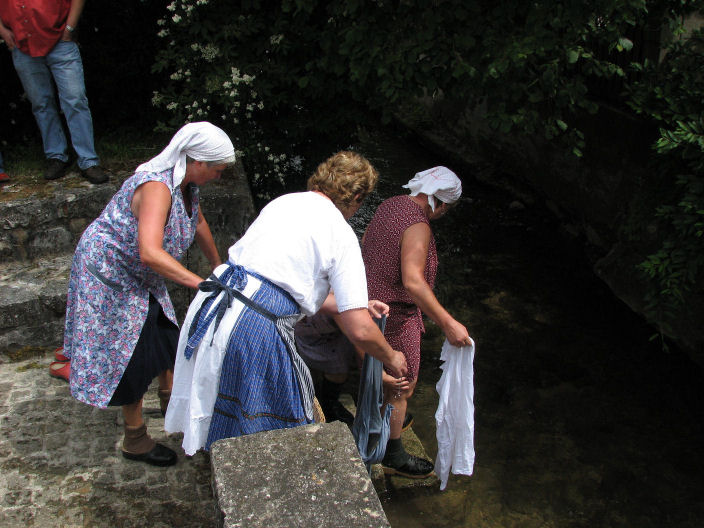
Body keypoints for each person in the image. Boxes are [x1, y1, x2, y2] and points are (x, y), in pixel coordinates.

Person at [165, 151, 408, 456]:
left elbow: (281, 282)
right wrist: (391, 356)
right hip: (254, 321)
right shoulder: (341, 233)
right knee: (282, 420)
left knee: (218, 393)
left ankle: (217, 459)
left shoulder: (285, 202)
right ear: (358, 196)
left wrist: (356, 302)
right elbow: (360, 329)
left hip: (215, 300)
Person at [59, 122, 234, 467]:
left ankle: (172, 403)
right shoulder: (158, 186)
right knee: (131, 355)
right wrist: (200, 283)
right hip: (110, 273)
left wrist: (218, 265)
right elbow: (150, 253)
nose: (219, 176)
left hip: (138, 276)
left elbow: (197, 222)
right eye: (217, 169)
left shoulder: (187, 184)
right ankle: (135, 438)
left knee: (166, 336)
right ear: (198, 162)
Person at [361, 166, 472, 479]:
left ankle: (384, 422)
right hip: (396, 317)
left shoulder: (390, 204)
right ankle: (392, 452)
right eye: (447, 209)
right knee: (401, 386)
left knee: (380, 377)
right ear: (442, 203)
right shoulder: (418, 225)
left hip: (370, 306)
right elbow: (413, 282)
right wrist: (448, 323)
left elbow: (366, 246)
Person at [0, 0, 107, 183]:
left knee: (75, 100)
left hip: (60, 40)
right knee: (41, 103)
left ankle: (88, 160)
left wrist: (70, 28)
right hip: (22, 43)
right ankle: (56, 157)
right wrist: (2, 30)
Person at [294, 297, 414, 428]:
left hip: (331, 315)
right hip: (316, 326)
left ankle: (330, 401)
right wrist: (385, 365)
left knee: (341, 364)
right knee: (337, 368)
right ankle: (329, 405)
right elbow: (359, 333)